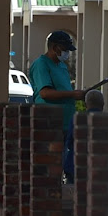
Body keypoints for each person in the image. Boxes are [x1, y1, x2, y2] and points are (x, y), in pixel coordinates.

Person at [28, 30, 85, 184]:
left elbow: (63, 90)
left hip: (66, 122)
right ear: (54, 47)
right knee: (52, 165)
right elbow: (45, 93)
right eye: (64, 49)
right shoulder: (41, 64)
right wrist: (73, 95)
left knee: (67, 163)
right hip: (51, 123)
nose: (66, 53)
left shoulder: (61, 66)